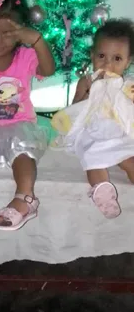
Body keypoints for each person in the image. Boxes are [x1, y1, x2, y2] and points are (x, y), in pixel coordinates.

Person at [0, 0, 55, 231]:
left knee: (22, 153)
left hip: (19, 123)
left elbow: (49, 70)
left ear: (21, 33)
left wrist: (36, 39)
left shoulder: (26, 56)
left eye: (8, 33)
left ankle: (25, 199)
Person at [51, 19, 134, 219]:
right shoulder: (86, 81)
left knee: (130, 159)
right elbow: (75, 108)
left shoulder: (128, 84)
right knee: (92, 157)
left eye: (117, 58)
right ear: (92, 56)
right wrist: (86, 94)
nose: (108, 64)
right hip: (92, 130)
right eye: (102, 56)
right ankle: (101, 191)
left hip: (118, 130)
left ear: (128, 62)